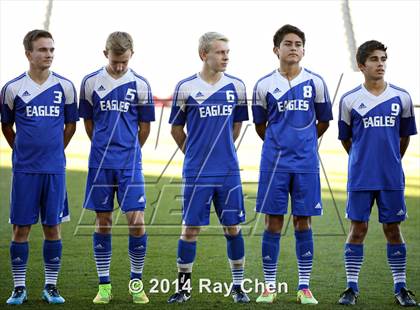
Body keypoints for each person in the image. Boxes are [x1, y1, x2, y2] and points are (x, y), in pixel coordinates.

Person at [252, 24, 333, 305]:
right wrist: (280, 142)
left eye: (298, 44)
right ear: (276, 49)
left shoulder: (316, 82)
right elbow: (260, 125)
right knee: (273, 222)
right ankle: (269, 287)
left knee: (303, 221)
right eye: (288, 43)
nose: (294, 48)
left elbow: (323, 121)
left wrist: (304, 140)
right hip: (274, 163)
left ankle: (304, 287)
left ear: (303, 50)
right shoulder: (263, 85)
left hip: (306, 163)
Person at [167, 32, 249, 304]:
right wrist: (195, 153)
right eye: (220, 52)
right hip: (197, 171)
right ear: (204, 55)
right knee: (190, 229)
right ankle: (183, 288)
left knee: (233, 227)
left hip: (228, 170)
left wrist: (221, 150)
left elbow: (236, 126)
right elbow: (176, 129)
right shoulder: (186, 87)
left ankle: (238, 287)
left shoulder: (237, 86)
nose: (226, 57)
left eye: (228, 52)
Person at [1, 29, 78, 305]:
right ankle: (19, 288)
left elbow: (71, 126)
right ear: (28, 54)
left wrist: (56, 150)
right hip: (25, 170)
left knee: (52, 228)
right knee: (20, 229)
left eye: (52, 50)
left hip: (54, 169)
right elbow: (6, 126)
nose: (49, 55)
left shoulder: (65, 87)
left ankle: (51, 286)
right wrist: (21, 150)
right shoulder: (12, 88)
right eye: (43, 50)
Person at [337, 40, 417, 307]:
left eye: (383, 58)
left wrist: (391, 160)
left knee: (393, 229)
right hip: (360, 176)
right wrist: (363, 159)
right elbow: (347, 139)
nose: (380, 63)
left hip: (391, 177)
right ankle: (351, 287)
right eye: (373, 59)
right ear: (362, 65)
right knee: (357, 229)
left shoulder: (401, 97)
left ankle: (401, 287)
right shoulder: (349, 100)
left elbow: (404, 138)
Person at [78, 31, 155, 304]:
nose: (119, 66)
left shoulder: (141, 85)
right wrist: (103, 147)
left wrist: (128, 150)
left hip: (129, 164)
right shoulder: (89, 82)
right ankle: (104, 285)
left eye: (124, 61)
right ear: (105, 55)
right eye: (115, 61)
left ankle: (136, 282)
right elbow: (88, 123)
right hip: (100, 163)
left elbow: (144, 128)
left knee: (136, 220)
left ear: (131, 55)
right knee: (104, 221)